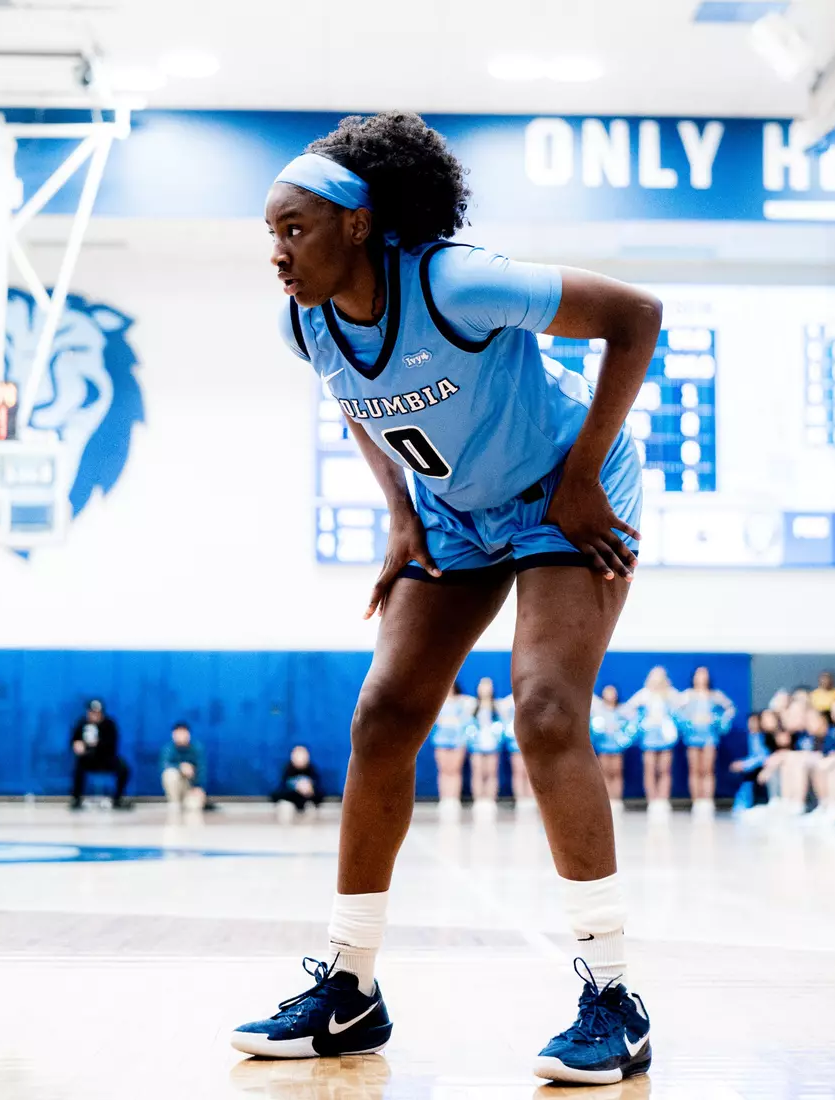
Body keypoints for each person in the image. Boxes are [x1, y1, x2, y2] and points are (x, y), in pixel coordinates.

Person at [232, 112, 660, 1086]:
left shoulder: (457, 279)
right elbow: (357, 405)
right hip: (454, 514)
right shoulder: (308, 319)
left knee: (547, 709)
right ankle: (349, 985)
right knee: (384, 713)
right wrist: (397, 516)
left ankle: (614, 996)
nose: (276, 252)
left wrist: (585, 469)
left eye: (293, 228)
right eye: (270, 232)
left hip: (562, 493)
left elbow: (637, 315)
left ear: (358, 221)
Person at [677, 666, 736, 817]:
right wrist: (688, 722)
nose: (701, 677)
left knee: (707, 769)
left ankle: (707, 801)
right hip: (692, 736)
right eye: (698, 674)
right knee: (695, 769)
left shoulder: (715, 695)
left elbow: (730, 709)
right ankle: (696, 801)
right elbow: (676, 712)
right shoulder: (688, 695)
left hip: (709, 736)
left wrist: (717, 720)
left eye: (704, 674)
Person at [623, 667, 681, 819]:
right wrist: (641, 720)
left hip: (666, 736)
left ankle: (663, 799)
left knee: (665, 769)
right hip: (649, 736)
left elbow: (682, 705)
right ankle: (652, 800)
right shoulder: (644, 693)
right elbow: (628, 708)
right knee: (650, 768)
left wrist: (671, 719)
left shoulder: (670, 693)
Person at [70, 700, 131, 811]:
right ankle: (76, 798)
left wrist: (97, 744)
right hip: (87, 759)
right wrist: (77, 745)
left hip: (106, 758)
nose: (95, 715)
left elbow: (112, 743)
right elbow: (74, 740)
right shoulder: (81, 723)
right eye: (92, 712)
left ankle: (117, 798)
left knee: (123, 768)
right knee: (78, 766)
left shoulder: (109, 724)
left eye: (98, 713)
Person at [430, 681, 474, 821]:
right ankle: (445, 798)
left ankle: (454, 799)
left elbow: (467, 714)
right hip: (441, 740)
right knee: (444, 770)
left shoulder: (462, 702)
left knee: (455, 770)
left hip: (458, 740)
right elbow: (437, 720)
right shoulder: (437, 703)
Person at [590, 685, 634, 814]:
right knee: (605, 773)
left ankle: (616, 799)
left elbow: (629, 725)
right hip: (603, 746)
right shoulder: (598, 711)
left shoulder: (621, 711)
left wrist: (620, 733)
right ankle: (607, 799)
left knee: (616, 772)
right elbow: (594, 727)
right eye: (607, 692)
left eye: (612, 692)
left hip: (617, 747)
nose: (610, 695)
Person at [466, 676, 504, 821]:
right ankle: (479, 799)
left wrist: (497, 736)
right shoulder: (473, 705)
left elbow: (502, 722)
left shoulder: (497, 706)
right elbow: (468, 723)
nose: (485, 688)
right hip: (476, 743)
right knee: (478, 771)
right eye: (482, 685)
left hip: (492, 742)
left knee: (491, 772)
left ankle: (490, 799)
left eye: (488, 685)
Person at [497, 690, 534, 812]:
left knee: (531, 773)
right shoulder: (508, 701)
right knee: (518, 771)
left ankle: (531, 798)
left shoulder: (537, 697)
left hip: (532, 740)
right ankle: (520, 799)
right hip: (516, 742)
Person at [160, 722, 208, 812]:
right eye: (178, 733)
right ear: (173, 735)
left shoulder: (197, 748)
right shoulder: (168, 749)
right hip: (177, 785)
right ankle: (174, 803)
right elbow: (164, 766)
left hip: (190, 787)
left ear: (188, 734)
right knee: (169, 774)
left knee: (194, 806)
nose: (181, 736)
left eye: (184, 733)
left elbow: (202, 769)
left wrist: (198, 787)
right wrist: (180, 767)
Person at [272, 745, 323, 821]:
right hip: (290, 804)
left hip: (306, 805)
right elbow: (276, 794)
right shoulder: (287, 770)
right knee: (285, 807)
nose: (300, 758)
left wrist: (311, 791)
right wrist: (296, 788)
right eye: (297, 756)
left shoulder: (312, 771)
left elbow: (321, 795)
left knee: (311, 809)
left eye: (303, 756)